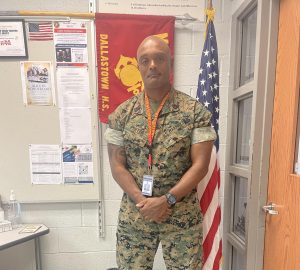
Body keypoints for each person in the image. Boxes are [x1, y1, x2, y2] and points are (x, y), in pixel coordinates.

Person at [105, 35, 216, 269]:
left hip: (181, 215)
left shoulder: (196, 113)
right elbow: (117, 166)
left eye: (159, 58)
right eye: (145, 61)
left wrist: (168, 199)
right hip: (136, 214)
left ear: (170, 63)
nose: (152, 65)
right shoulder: (120, 115)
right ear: (138, 67)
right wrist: (142, 201)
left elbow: (201, 166)